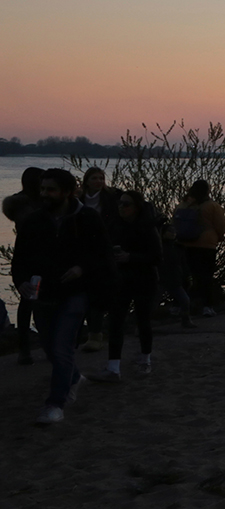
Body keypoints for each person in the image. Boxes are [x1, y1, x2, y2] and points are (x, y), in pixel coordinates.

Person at [12, 168, 113, 424]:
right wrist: (21, 281)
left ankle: (55, 404)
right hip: (43, 294)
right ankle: (75, 376)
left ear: (67, 192)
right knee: (50, 349)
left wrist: (82, 268)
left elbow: (102, 254)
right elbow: (20, 257)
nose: (45, 194)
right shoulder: (34, 221)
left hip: (75, 293)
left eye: (51, 190)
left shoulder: (87, 218)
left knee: (62, 347)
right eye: (43, 189)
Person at [92, 190, 161, 381]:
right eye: (120, 203)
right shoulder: (114, 225)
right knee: (115, 322)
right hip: (120, 280)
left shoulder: (147, 227)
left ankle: (145, 360)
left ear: (137, 207)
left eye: (126, 204)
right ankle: (113, 367)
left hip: (144, 280)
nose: (121, 207)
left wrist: (130, 257)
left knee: (143, 321)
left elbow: (157, 256)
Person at [4, 166, 46, 365]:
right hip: (35, 258)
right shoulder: (33, 205)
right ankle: (29, 347)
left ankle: (26, 348)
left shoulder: (23, 205)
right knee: (32, 302)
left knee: (29, 302)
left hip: (30, 257)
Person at [78, 167, 122, 353]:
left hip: (106, 246)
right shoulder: (77, 200)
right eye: (94, 178)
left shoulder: (113, 197)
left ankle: (97, 334)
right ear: (86, 181)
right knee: (84, 292)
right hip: (82, 247)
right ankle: (87, 332)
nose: (98, 181)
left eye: (101, 178)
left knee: (101, 291)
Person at [178, 179, 225, 316]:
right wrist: (219, 237)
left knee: (186, 276)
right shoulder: (212, 206)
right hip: (206, 245)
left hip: (185, 244)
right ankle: (206, 306)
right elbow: (221, 225)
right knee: (205, 276)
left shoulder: (183, 204)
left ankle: (183, 305)